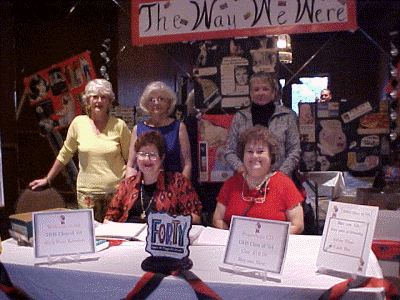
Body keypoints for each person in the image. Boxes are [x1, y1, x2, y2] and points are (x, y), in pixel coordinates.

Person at [29, 79, 131, 221]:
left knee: (114, 238)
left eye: (104, 97)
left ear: (109, 101)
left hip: (116, 193)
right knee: (88, 237)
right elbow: (65, 154)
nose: (99, 101)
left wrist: (128, 188)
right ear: (87, 100)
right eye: (94, 97)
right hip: (86, 194)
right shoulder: (78, 123)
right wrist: (48, 178)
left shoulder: (120, 125)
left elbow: (130, 159)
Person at [213, 125, 304, 234]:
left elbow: (298, 225)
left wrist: (267, 239)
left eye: (260, 151)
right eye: (250, 151)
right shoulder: (231, 184)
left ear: (271, 156)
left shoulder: (285, 184)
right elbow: (217, 219)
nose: (255, 156)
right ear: (242, 155)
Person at [105, 130, 202, 224]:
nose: (147, 159)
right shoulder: (127, 184)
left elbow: (196, 216)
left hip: (162, 237)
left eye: (152, 155)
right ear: (137, 157)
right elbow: (109, 219)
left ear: (162, 157)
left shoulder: (178, 182)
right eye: (142, 154)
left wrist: (170, 221)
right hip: (129, 238)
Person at [224, 71, 301, 177]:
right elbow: (229, 151)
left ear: (273, 92)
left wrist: (280, 175)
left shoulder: (288, 116)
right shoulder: (240, 117)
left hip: (280, 180)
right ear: (250, 93)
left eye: (265, 89)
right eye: (256, 89)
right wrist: (242, 170)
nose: (261, 93)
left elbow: (294, 150)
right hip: (246, 180)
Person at [125, 81, 192, 179]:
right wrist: (129, 190)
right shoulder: (137, 129)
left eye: (161, 99)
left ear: (169, 102)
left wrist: (182, 189)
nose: (156, 103)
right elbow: (131, 165)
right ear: (146, 104)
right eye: (151, 99)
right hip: (145, 188)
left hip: (173, 188)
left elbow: (187, 164)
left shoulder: (179, 127)